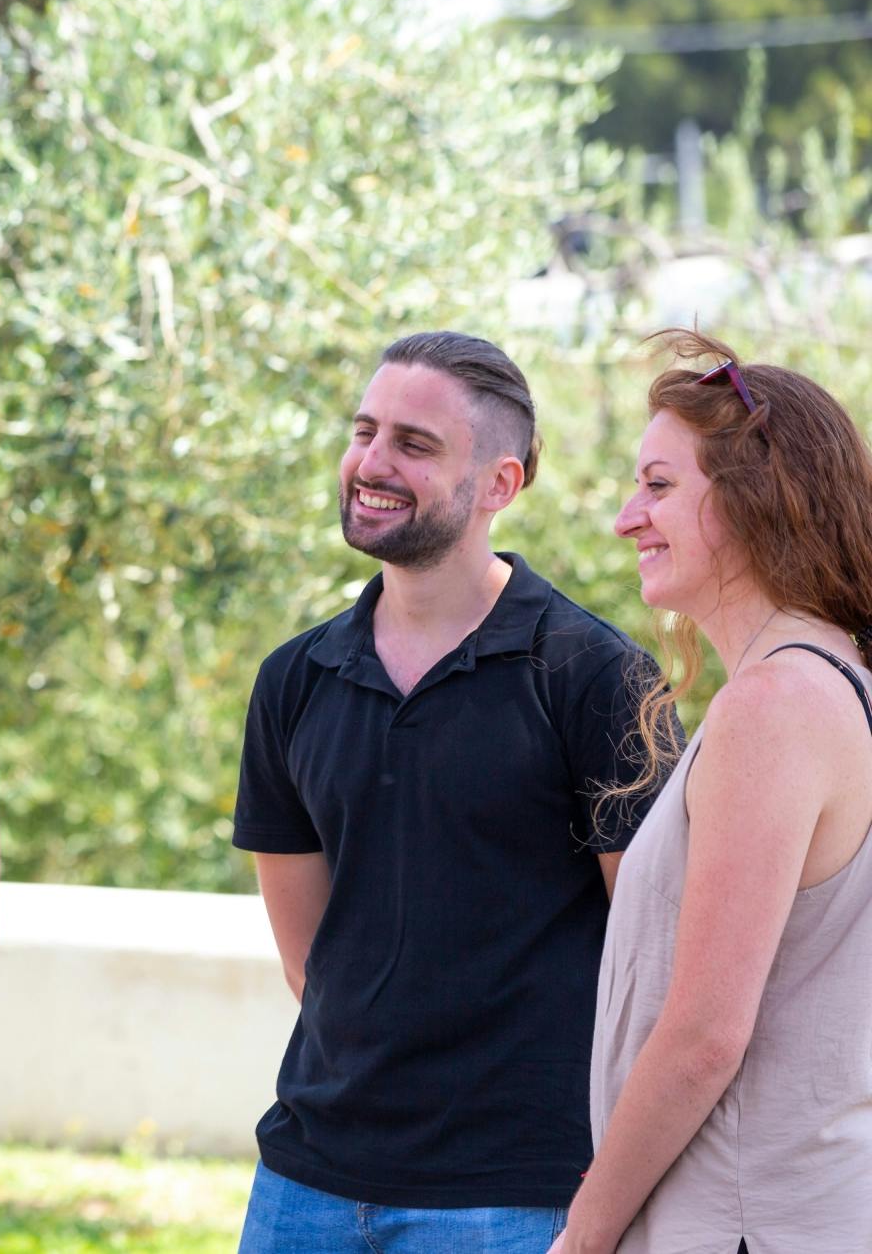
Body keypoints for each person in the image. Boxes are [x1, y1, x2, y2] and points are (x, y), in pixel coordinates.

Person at [234, 332, 663, 1252]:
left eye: (414, 444)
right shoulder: (293, 679)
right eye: (364, 431)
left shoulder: (596, 675)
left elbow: (650, 956)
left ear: (500, 484)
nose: (371, 463)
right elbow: (310, 958)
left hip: (515, 1195)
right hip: (305, 1181)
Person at [555, 332, 872, 1253]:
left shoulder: (774, 705)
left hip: (743, 1225)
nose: (627, 518)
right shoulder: (837, 685)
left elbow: (702, 1036)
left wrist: (583, 1235)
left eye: (658, 486)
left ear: (752, 496)